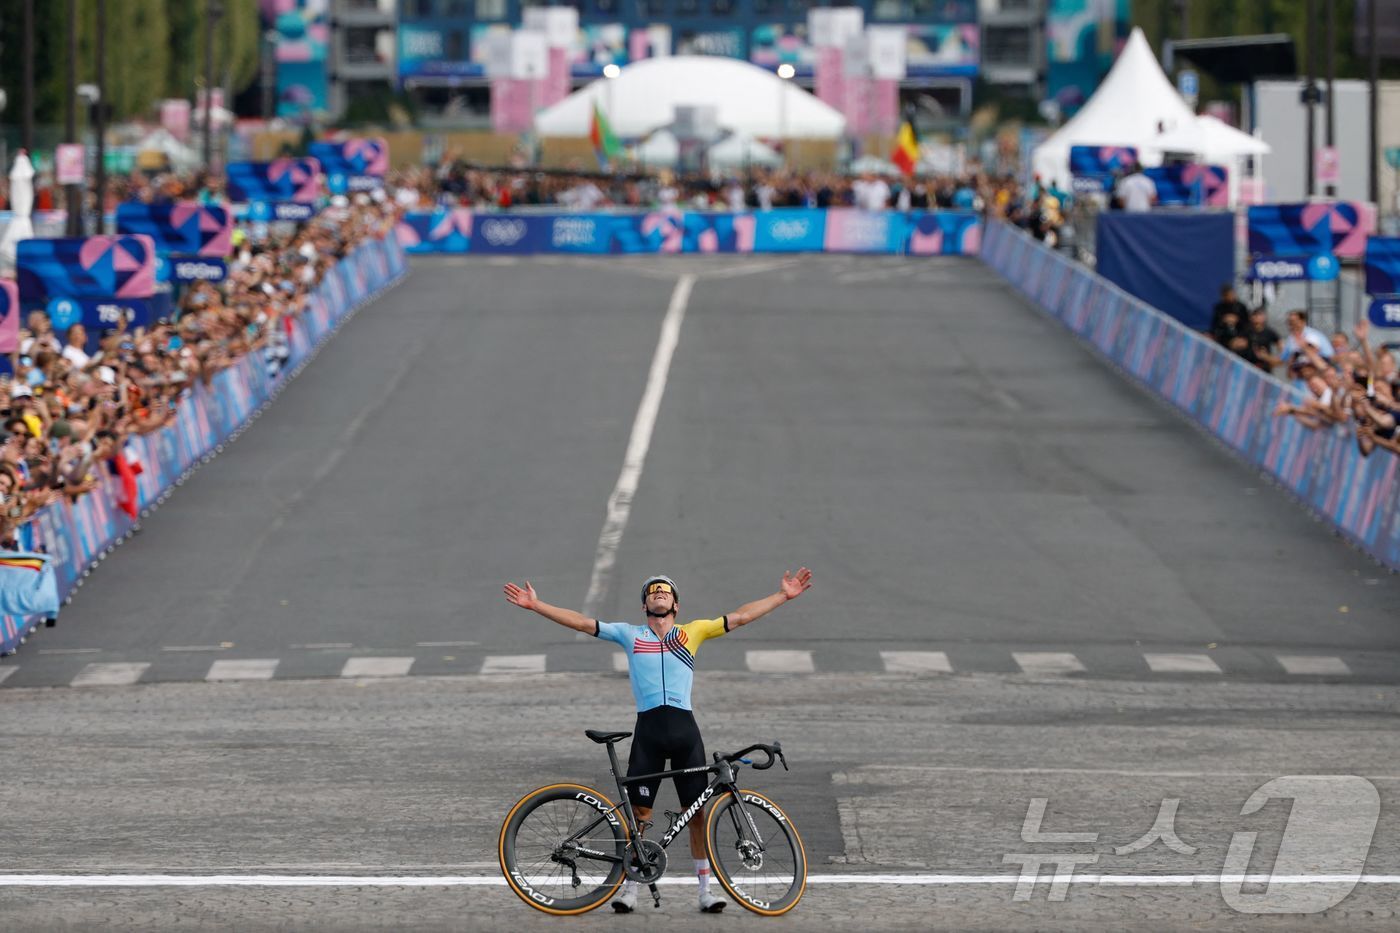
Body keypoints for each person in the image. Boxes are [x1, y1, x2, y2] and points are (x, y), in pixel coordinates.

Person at [503, 568, 814, 914]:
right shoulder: (629, 634)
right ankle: (631, 889)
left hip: (685, 733)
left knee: (696, 814)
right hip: (649, 733)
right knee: (640, 815)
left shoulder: (692, 632)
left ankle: (705, 893)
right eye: (653, 591)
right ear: (644, 606)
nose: (659, 593)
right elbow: (581, 623)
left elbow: (740, 617)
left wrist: (782, 596)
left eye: (665, 591)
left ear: (676, 605)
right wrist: (536, 605)